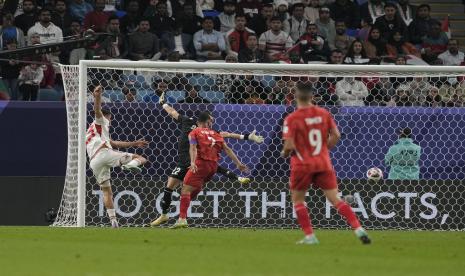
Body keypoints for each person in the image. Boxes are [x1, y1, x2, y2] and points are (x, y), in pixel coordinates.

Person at [281, 82, 370, 245]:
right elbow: (336, 135)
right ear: (312, 96)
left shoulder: (292, 118)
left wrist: (285, 153)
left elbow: (289, 146)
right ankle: (358, 228)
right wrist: (323, 149)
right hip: (323, 162)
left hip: (302, 165)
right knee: (336, 199)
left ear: (296, 96)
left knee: (298, 200)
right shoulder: (323, 113)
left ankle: (310, 236)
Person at [151, 101, 263, 227]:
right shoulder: (188, 122)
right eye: (211, 120)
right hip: (184, 161)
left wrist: (247, 137)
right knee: (169, 188)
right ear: (206, 120)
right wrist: (163, 103)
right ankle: (164, 215)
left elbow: (227, 135)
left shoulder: (208, 131)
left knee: (202, 174)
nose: (212, 123)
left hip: (195, 161)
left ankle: (182, 216)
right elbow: (172, 112)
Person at [86, 86, 148, 228]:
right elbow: (97, 111)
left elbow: (114, 143)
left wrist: (134, 143)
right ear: (108, 117)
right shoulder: (102, 121)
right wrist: (97, 97)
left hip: (94, 162)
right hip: (104, 153)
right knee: (141, 158)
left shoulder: (92, 132)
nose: (111, 121)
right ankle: (129, 166)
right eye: (111, 119)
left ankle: (113, 221)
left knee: (107, 191)